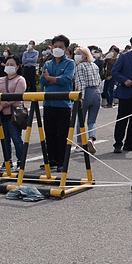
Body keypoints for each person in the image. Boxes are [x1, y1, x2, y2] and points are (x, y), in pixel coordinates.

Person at [40, 34, 76, 170]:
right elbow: (42, 81)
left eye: (61, 47)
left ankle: (62, 161)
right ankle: (52, 159)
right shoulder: (48, 63)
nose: (57, 49)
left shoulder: (70, 63)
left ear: (66, 49)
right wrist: (53, 78)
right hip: (48, 103)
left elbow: (66, 79)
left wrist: (50, 77)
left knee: (62, 134)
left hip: (63, 104)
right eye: (55, 47)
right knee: (49, 133)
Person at [0, 54, 27, 167]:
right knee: (4, 139)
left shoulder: (20, 80)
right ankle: (7, 162)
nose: (8, 66)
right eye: (7, 64)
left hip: (15, 114)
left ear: (18, 67)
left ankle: (20, 161)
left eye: (11, 64)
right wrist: (0, 105)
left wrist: (3, 104)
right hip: (2, 115)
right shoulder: (0, 80)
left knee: (16, 139)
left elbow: (17, 95)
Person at [73, 45, 101, 150]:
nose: (76, 56)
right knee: (92, 120)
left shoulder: (80, 66)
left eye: (78, 54)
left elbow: (81, 83)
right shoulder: (94, 65)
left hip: (86, 93)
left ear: (85, 55)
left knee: (81, 119)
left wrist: (80, 98)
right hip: (96, 93)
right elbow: (99, 81)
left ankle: (81, 143)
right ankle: (91, 138)